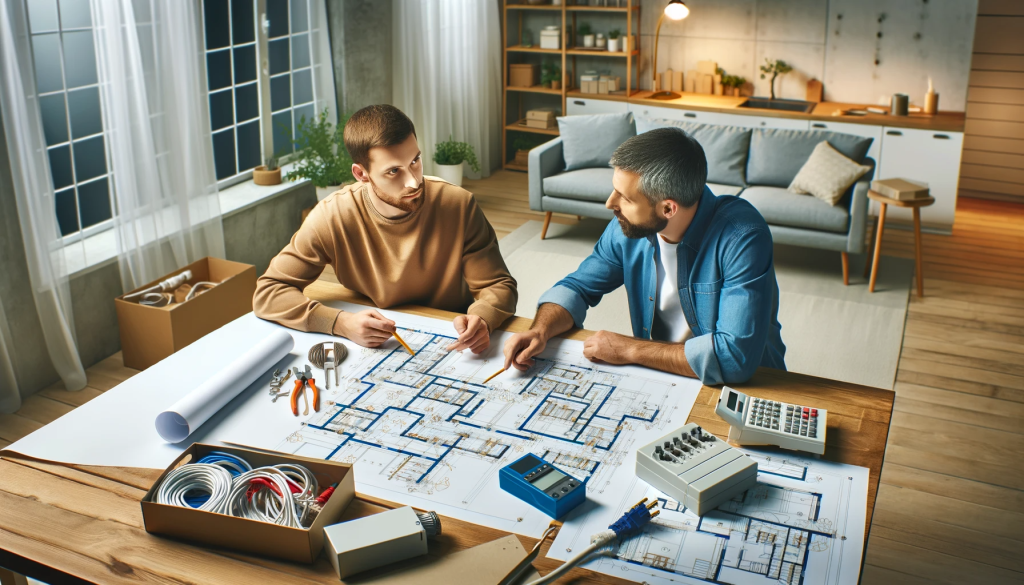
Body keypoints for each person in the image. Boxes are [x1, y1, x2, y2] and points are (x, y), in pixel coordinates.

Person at [503, 127, 785, 385]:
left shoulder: (743, 237)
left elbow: (733, 358)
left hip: (749, 388)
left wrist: (629, 348)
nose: (609, 203)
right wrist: (540, 330)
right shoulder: (626, 228)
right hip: (661, 373)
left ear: (668, 209)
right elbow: (577, 287)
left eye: (624, 198)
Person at [254, 104, 517, 354]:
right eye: (393, 171)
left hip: (450, 329)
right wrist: (340, 323)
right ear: (361, 174)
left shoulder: (458, 204)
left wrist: (483, 317)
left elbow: (498, 285)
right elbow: (269, 293)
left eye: (415, 161)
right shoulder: (332, 216)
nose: (413, 181)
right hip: (378, 334)